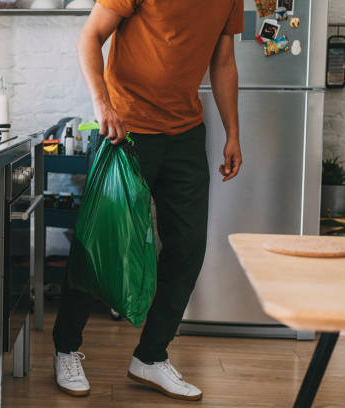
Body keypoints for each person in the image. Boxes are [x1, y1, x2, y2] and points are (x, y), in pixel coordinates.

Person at [52, 0, 243, 401]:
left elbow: (223, 62)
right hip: (127, 130)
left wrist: (233, 132)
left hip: (186, 133)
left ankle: (151, 357)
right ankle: (66, 348)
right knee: (101, 242)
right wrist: (103, 105)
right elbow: (90, 36)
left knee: (188, 247)